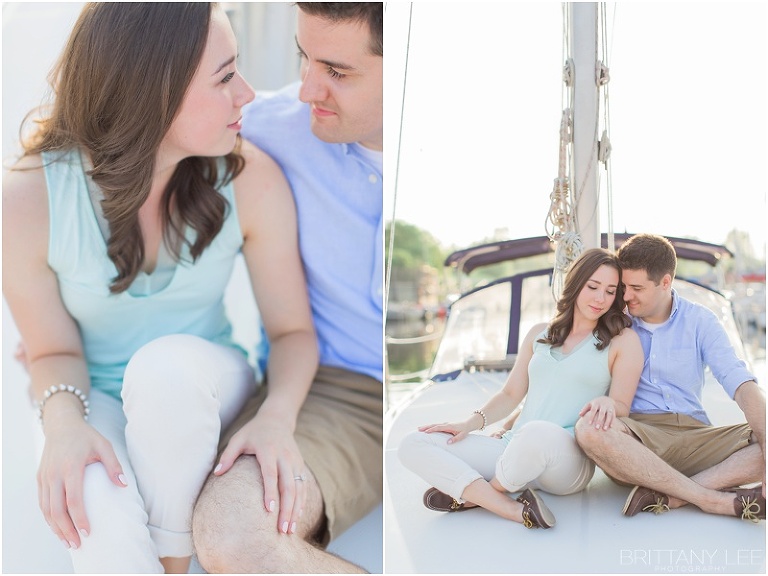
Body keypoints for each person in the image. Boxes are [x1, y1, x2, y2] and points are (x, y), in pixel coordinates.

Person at [2, 3, 317, 573]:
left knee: (165, 369)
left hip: (206, 387)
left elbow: (293, 332)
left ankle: (173, 561)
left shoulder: (249, 179)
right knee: (95, 519)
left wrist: (275, 419)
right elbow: (52, 352)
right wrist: (65, 429)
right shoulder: (28, 200)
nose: (246, 93)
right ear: (153, 94)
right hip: (85, 393)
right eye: (225, 78)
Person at [190, 3, 383, 573]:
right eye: (304, 58)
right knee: (232, 534)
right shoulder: (263, 126)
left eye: (337, 72)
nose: (306, 90)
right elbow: (141, 139)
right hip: (332, 388)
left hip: (457, 383)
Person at [398, 248, 644, 529]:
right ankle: (511, 509)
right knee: (413, 443)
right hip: (513, 450)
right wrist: (468, 424)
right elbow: (510, 394)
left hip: (567, 461)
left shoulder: (623, 340)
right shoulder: (539, 334)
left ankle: (472, 498)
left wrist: (608, 403)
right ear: (576, 284)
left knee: (535, 432)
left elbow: (622, 405)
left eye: (611, 291)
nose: (601, 298)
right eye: (593, 286)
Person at [574, 233, 766, 521]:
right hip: (637, 440)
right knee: (588, 430)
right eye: (624, 287)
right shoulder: (614, 321)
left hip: (696, 436)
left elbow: (739, 383)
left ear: (665, 282)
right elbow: (566, 370)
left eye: (637, 288)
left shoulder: (700, 321)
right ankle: (708, 498)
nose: (626, 296)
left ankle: (672, 495)